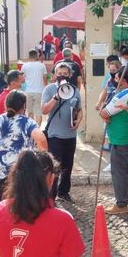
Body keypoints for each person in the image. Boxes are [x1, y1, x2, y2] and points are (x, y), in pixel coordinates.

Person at [0, 90, 47, 200]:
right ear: (23, 106)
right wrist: (42, 160)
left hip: (0, 175)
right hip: (24, 174)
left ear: (6, 105)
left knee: (4, 208)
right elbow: (41, 139)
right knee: (25, 209)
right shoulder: (27, 123)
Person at [100, 66, 128, 215]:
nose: (113, 81)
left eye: (116, 78)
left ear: (123, 80)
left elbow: (104, 112)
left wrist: (104, 114)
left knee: (118, 172)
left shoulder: (123, 94)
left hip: (120, 139)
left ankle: (122, 203)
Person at [41, 63, 83, 203]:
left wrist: (79, 121)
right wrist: (56, 96)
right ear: (55, 74)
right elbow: (44, 110)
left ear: (70, 75)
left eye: (65, 73)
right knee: (54, 166)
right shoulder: (49, 89)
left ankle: (64, 192)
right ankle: (51, 195)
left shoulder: (75, 91)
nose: (62, 76)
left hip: (70, 135)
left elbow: (79, 109)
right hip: (55, 135)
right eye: (60, 73)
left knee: (68, 165)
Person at [21, 49, 48, 125]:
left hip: (28, 91)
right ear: (37, 56)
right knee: (38, 112)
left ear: (29, 56)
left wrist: (23, 89)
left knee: (30, 111)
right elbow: (45, 79)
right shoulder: (42, 66)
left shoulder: (24, 66)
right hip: (39, 91)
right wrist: (45, 89)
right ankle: (38, 129)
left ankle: (31, 129)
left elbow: (22, 79)